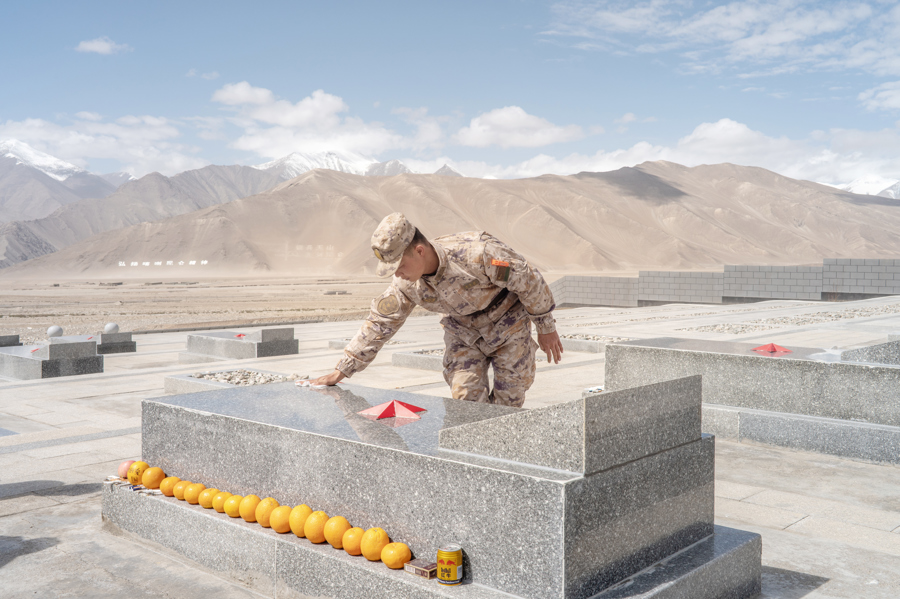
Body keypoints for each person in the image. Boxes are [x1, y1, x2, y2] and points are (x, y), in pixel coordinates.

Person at [309, 212, 563, 408]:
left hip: (508, 326)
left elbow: (528, 280)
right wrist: (343, 369)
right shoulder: (406, 284)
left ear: (419, 250)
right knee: (466, 403)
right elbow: (379, 324)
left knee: (510, 401)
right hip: (464, 334)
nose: (397, 273)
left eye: (399, 264)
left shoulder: (477, 253)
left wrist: (545, 327)